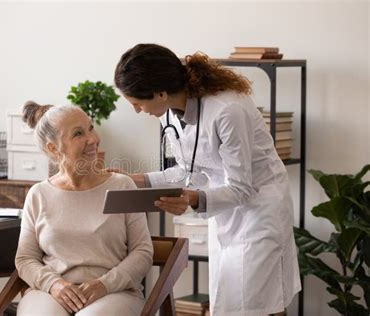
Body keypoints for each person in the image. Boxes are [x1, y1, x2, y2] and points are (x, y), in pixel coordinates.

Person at [113, 43, 301, 316]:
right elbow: (190, 170)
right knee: (234, 299)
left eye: (137, 103)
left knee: (258, 299)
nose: (138, 111)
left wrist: (194, 198)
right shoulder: (168, 112)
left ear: (161, 93)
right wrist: (136, 180)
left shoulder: (227, 110)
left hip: (259, 209)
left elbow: (241, 186)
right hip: (224, 209)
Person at [15, 101, 153, 316]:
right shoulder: (38, 194)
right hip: (52, 293)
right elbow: (25, 259)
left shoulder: (122, 185)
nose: (92, 139)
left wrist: (104, 284)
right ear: (53, 148)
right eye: (78, 134)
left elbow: (142, 252)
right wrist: (54, 285)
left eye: (90, 128)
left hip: (114, 293)